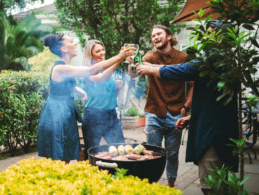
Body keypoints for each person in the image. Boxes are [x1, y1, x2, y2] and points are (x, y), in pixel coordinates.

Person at [136, 21, 238, 195]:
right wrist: (191, 117)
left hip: (212, 132)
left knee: (211, 186)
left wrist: (151, 70)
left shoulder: (213, 57)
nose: (205, 36)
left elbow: (181, 70)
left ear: (221, 37)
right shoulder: (223, 58)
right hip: (213, 124)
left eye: (210, 33)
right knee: (220, 180)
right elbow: (213, 101)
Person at [37, 34, 134, 162]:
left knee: (66, 154)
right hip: (57, 114)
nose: (75, 44)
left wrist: (75, 89)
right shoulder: (60, 67)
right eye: (71, 41)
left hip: (66, 112)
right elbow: (93, 71)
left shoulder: (64, 67)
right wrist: (120, 57)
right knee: (58, 155)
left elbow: (60, 83)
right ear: (64, 49)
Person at [128, 25, 194, 187]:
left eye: (159, 34)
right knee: (152, 153)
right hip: (153, 112)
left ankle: (171, 187)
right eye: (153, 36)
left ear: (169, 36)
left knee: (172, 154)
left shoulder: (182, 57)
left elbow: (194, 85)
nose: (155, 37)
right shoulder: (150, 56)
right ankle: (152, 186)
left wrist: (185, 107)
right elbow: (134, 73)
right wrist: (131, 63)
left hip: (176, 113)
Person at [81, 40, 125, 160]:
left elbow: (112, 96)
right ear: (91, 54)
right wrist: (119, 59)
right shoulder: (87, 71)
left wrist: (117, 89)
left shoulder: (110, 69)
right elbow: (102, 78)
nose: (102, 53)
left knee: (121, 150)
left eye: (103, 50)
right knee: (92, 152)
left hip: (111, 115)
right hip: (93, 116)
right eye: (98, 51)